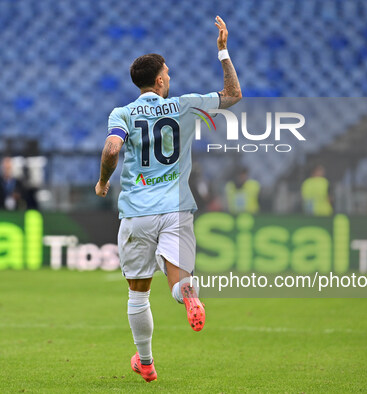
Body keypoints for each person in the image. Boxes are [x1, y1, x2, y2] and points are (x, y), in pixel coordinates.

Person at [95, 16, 241, 382]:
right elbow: (233, 96)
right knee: (179, 281)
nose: (170, 78)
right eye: (168, 74)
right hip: (176, 210)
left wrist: (102, 182)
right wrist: (222, 50)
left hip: (137, 213)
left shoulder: (122, 113)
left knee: (138, 294)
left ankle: (145, 362)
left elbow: (113, 147)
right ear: (159, 80)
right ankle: (188, 294)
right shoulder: (185, 105)